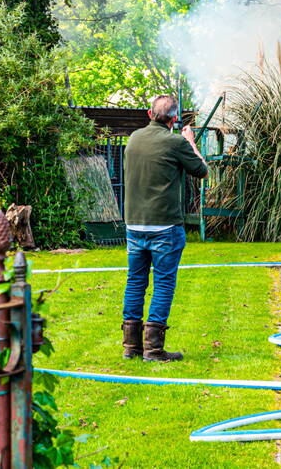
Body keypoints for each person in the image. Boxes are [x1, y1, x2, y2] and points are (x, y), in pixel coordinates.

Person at [121, 94, 208, 362]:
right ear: (173, 118)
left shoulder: (134, 138)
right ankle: (154, 350)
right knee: (163, 284)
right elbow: (202, 170)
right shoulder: (176, 142)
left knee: (135, 282)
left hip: (134, 224)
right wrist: (191, 142)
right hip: (165, 226)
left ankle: (131, 348)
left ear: (149, 114)